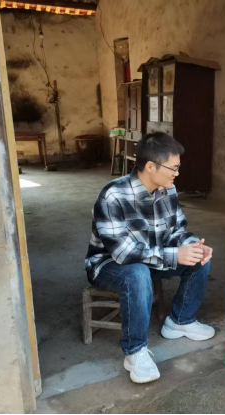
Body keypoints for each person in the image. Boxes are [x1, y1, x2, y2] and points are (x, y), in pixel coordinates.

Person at [85, 132, 215, 384]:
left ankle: (180, 320)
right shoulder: (114, 195)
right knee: (137, 273)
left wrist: (191, 246)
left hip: (153, 258)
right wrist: (174, 254)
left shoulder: (168, 190)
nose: (177, 173)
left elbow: (176, 230)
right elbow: (122, 253)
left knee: (199, 257)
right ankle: (135, 351)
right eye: (173, 168)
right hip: (108, 265)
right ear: (150, 166)